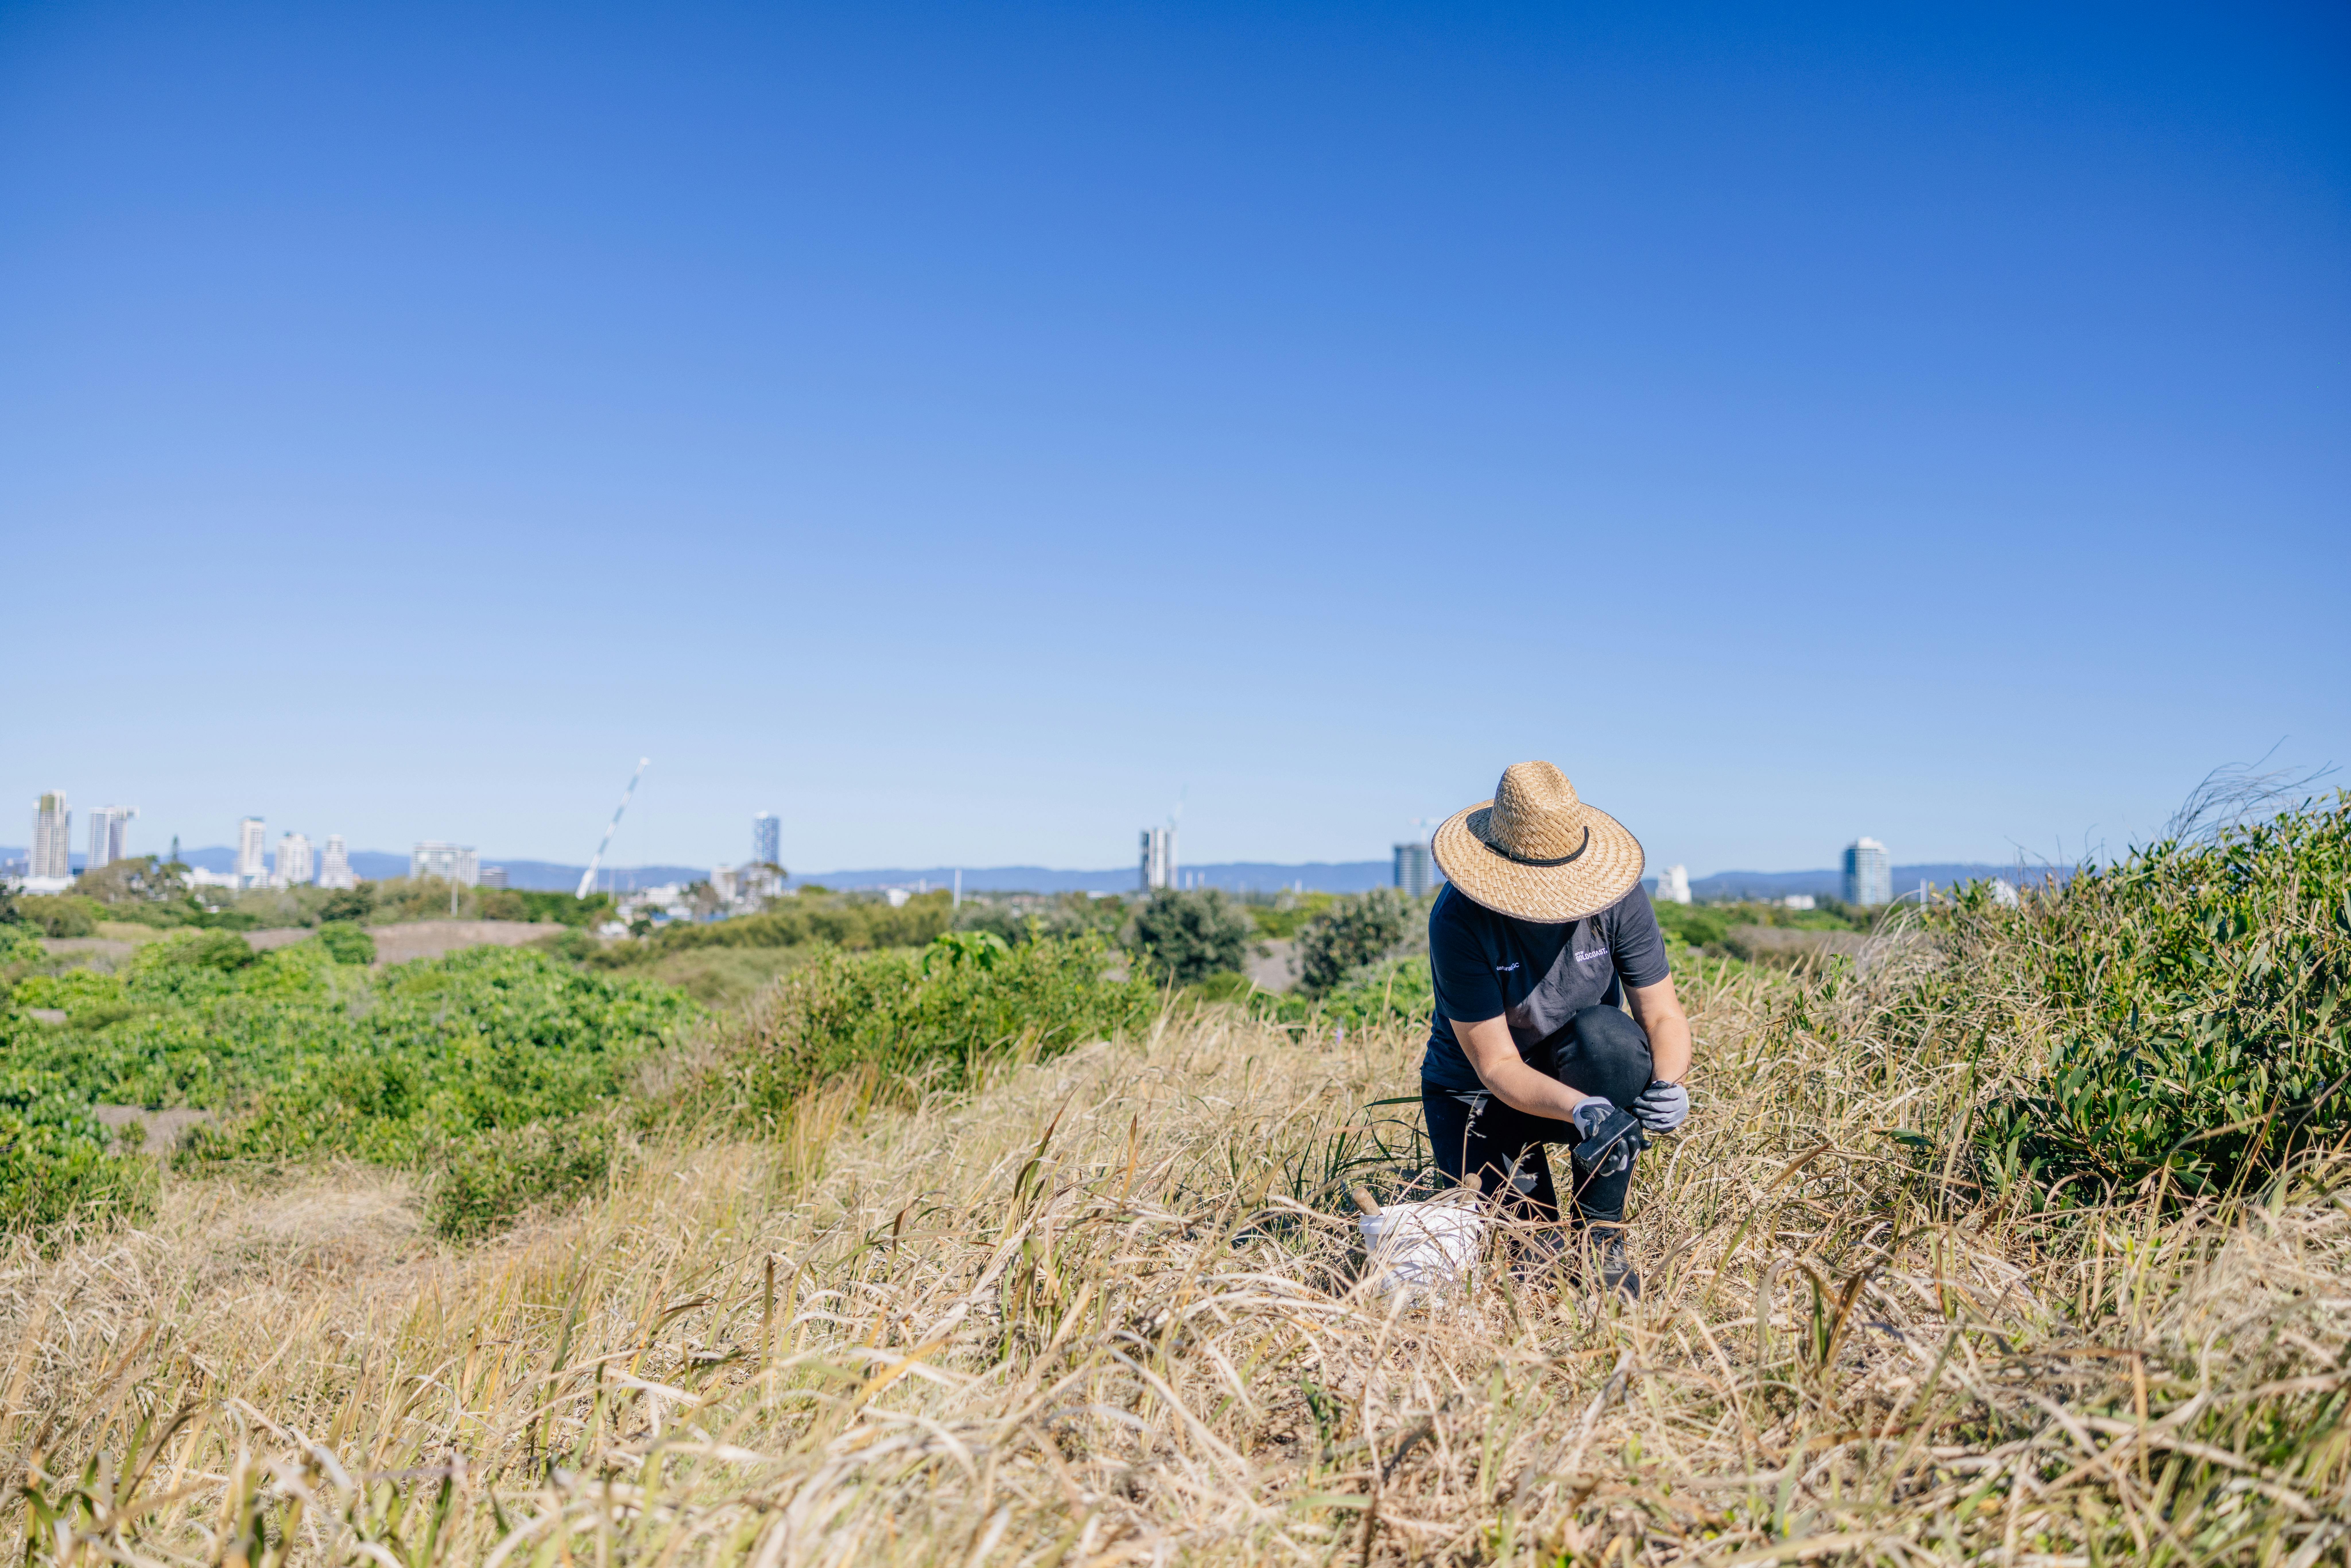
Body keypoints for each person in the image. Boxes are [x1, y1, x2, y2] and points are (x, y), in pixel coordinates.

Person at [1420, 760, 1693, 1296]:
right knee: (1534, 1270)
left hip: (1580, 1064)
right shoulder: (1458, 920)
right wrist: (1577, 1107)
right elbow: (1497, 1065)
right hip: (1481, 1094)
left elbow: (1662, 1014)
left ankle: (1602, 1236)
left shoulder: (1619, 898)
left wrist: (1669, 1083)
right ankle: (1540, 1232)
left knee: (1611, 1041)